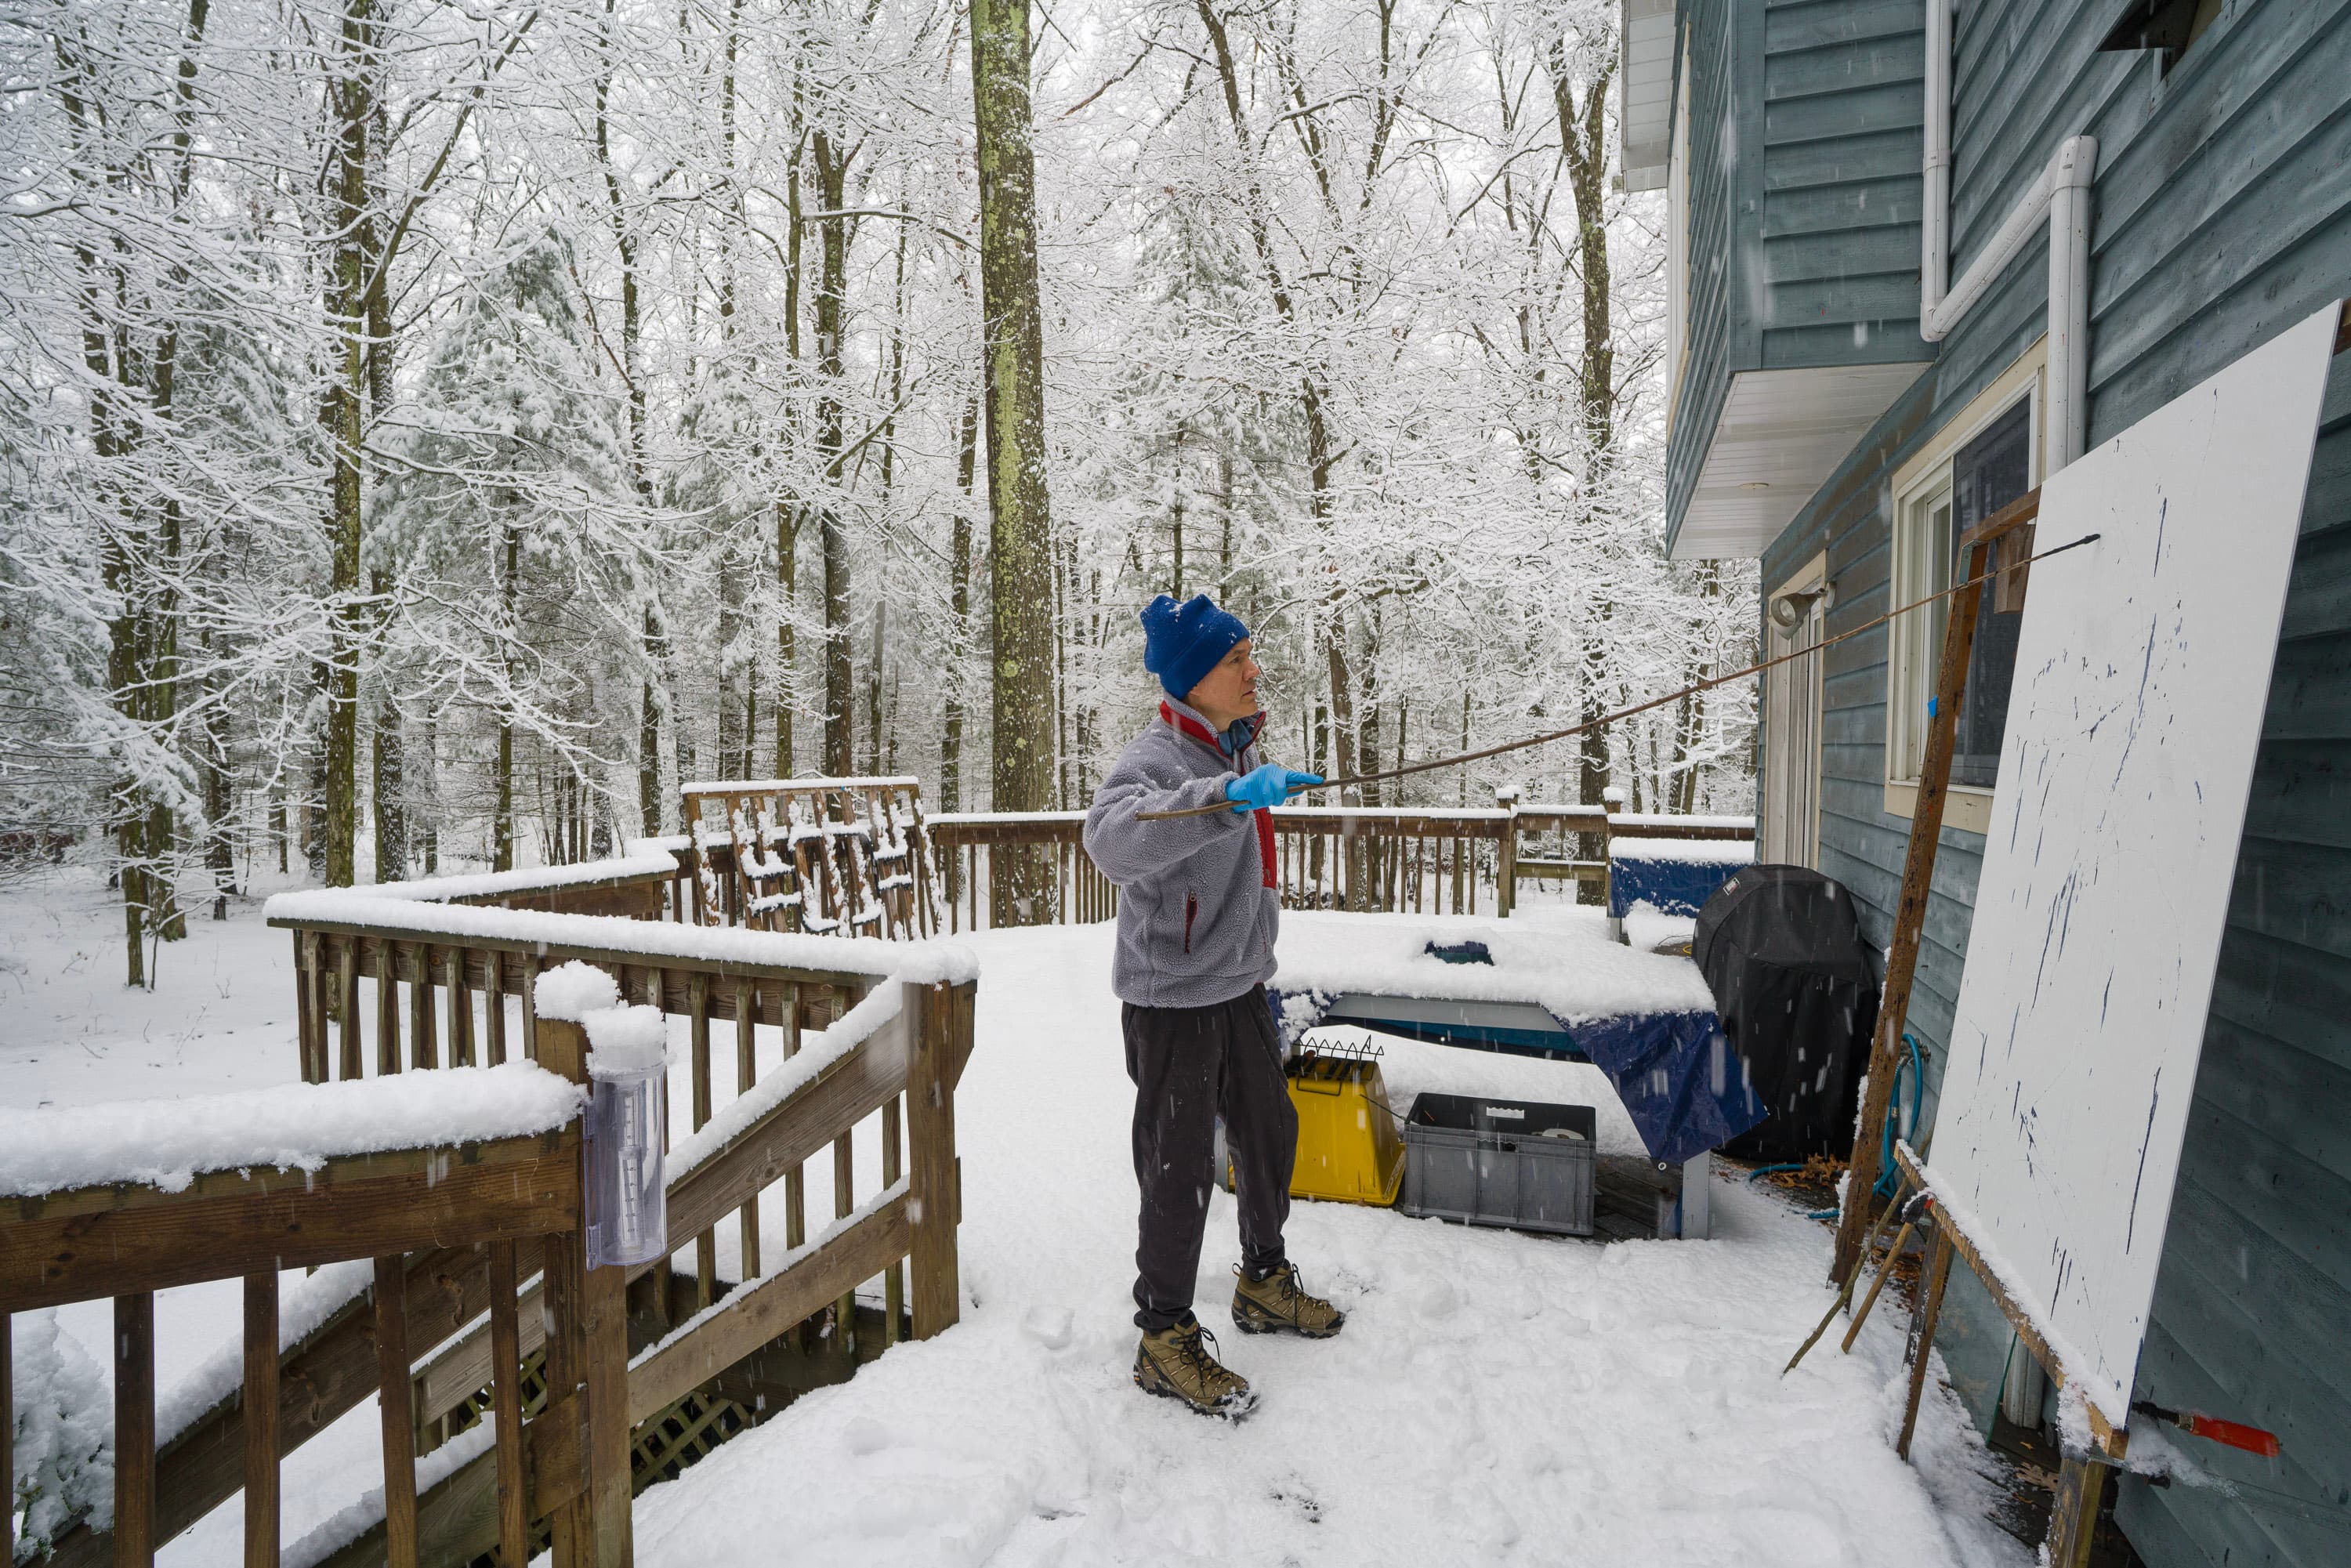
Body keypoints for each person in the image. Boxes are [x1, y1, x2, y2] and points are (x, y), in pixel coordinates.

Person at [1081, 592, 1345, 1421]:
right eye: (1236, 660)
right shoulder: (1157, 758)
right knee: (1180, 1169)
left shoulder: (1234, 747)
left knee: (1270, 1139)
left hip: (1240, 985)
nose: (1252, 671)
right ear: (1195, 679)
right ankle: (1162, 1337)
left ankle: (1263, 1282)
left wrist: (1241, 787)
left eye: (1248, 656)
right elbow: (1111, 840)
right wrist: (1226, 798)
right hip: (1173, 1000)